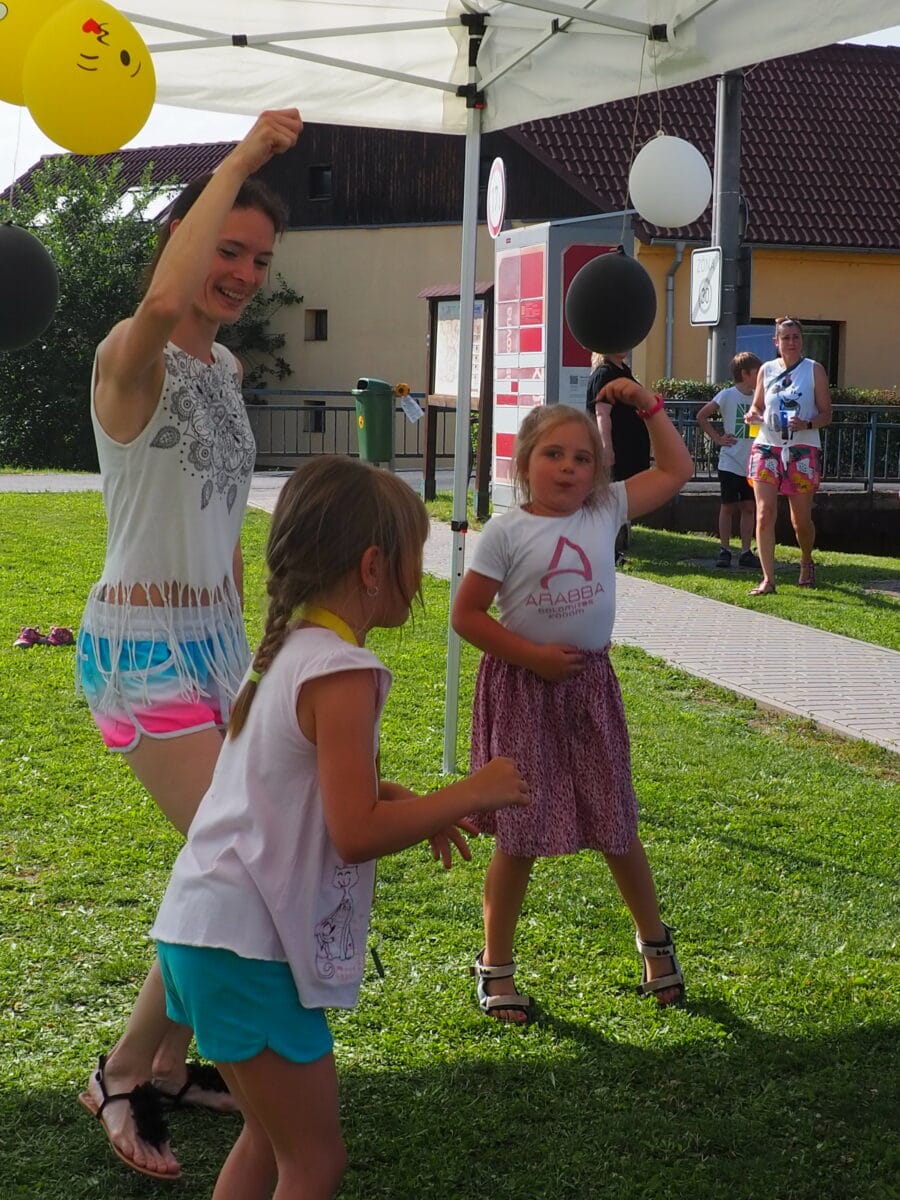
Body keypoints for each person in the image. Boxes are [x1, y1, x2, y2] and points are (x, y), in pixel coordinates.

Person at [149, 456, 529, 1198]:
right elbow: (353, 832)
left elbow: (285, 786)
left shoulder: (288, 652)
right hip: (246, 950)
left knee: (269, 1140)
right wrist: (469, 792)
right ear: (372, 566)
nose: (423, 578)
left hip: (204, 938)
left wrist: (397, 798)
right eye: (415, 558)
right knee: (315, 1161)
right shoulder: (342, 669)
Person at [75, 110, 303, 1181]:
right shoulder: (134, 358)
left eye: (260, 258)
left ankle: (162, 1065)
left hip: (213, 654)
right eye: (228, 248)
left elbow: (222, 522)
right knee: (237, 860)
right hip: (141, 657)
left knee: (224, 865)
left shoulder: (224, 375)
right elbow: (161, 301)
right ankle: (125, 1070)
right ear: (184, 240)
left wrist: (254, 656)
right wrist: (240, 160)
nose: (246, 273)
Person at [452, 386, 694, 1024]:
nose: (568, 467)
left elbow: (676, 471)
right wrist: (530, 657)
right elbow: (467, 615)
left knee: (615, 821)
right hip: (524, 691)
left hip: (589, 689)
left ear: (598, 470)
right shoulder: (506, 531)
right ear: (524, 461)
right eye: (553, 454)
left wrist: (650, 408)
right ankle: (495, 967)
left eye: (582, 458)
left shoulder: (605, 509)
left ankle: (655, 946)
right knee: (521, 833)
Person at [744, 317, 833, 595]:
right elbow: (757, 407)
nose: (791, 342)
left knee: (800, 520)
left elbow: (826, 414)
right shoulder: (766, 370)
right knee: (764, 513)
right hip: (767, 445)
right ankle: (768, 579)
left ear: (802, 340)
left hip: (801, 449)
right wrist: (753, 416)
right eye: (786, 338)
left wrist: (806, 423)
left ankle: (806, 559)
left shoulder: (814, 370)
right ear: (776, 342)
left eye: (795, 337)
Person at [696, 351, 762, 568]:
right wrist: (718, 438)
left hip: (751, 461)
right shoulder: (727, 395)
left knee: (749, 506)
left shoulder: (758, 397)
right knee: (728, 506)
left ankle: (745, 551)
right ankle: (724, 549)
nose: (759, 377)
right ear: (744, 374)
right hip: (730, 461)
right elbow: (702, 416)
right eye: (756, 373)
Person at [586, 351, 651, 564]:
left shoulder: (623, 371)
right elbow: (601, 413)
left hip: (628, 447)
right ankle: (606, 553)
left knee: (616, 501)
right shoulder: (605, 373)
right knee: (609, 501)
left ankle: (611, 551)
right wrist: (606, 447)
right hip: (616, 447)